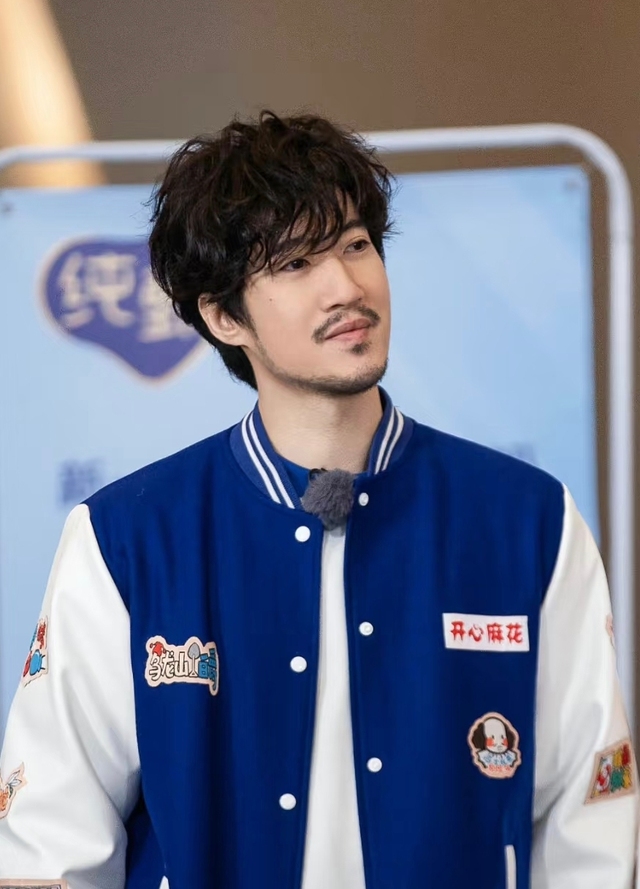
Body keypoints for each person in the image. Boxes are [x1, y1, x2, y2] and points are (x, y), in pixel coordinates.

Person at [0, 110, 636, 889]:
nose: (346, 287)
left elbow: (589, 828)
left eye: (356, 245)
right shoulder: (129, 538)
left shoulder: (527, 521)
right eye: (298, 263)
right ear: (224, 315)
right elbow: (53, 840)